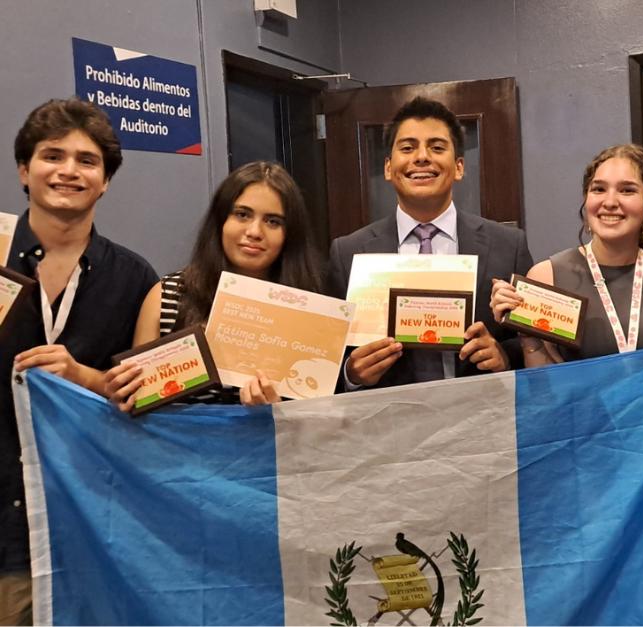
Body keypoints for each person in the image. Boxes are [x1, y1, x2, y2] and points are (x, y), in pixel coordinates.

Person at [1, 98, 158, 624]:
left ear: (105, 180)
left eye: (87, 160)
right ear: (25, 170)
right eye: (52, 156)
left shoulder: (136, 280)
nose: (69, 171)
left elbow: (143, 401)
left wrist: (79, 376)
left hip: (91, 524)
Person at [327, 97, 533, 388]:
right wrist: (351, 374)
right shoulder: (348, 253)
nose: (422, 157)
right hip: (387, 424)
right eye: (408, 148)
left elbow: (532, 343)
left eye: (437, 147)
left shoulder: (509, 246)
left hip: (481, 421)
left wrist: (503, 356)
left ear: (459, 167)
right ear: (388, 168)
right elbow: (325, 359)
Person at [104, 161, 321, 409]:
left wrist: (278, 409)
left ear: (289, 234)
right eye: (242, 214)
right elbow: (139, 402)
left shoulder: (309, 311)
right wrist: (126, 393)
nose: (254, 231)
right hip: (179, 447)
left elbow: (318, 420)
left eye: (273, 221)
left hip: (275, 446)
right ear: (220, 221)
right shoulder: (168, 296)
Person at [490, 144, 643, 366]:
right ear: (586, 198)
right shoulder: (546, 277)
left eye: (627, 190)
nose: (609, 202)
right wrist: (523, 327)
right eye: (599, 189)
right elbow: (543, 385)